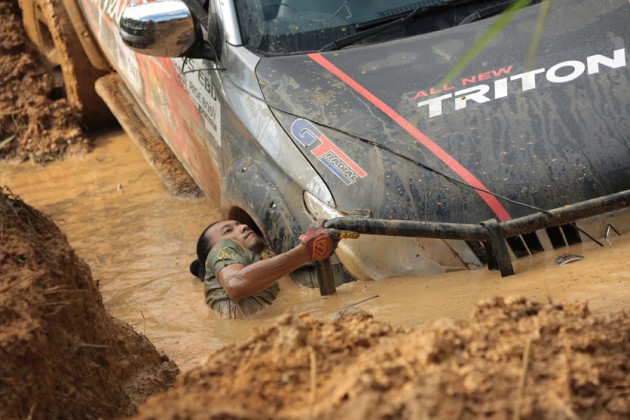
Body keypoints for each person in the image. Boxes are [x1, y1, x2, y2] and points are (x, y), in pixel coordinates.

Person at [189, 220, 337, 318]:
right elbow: (235, 284)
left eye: (239, 223)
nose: (243, 226)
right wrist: (307, 251)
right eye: (228, 230)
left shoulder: (262, 274)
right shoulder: (221, 247)